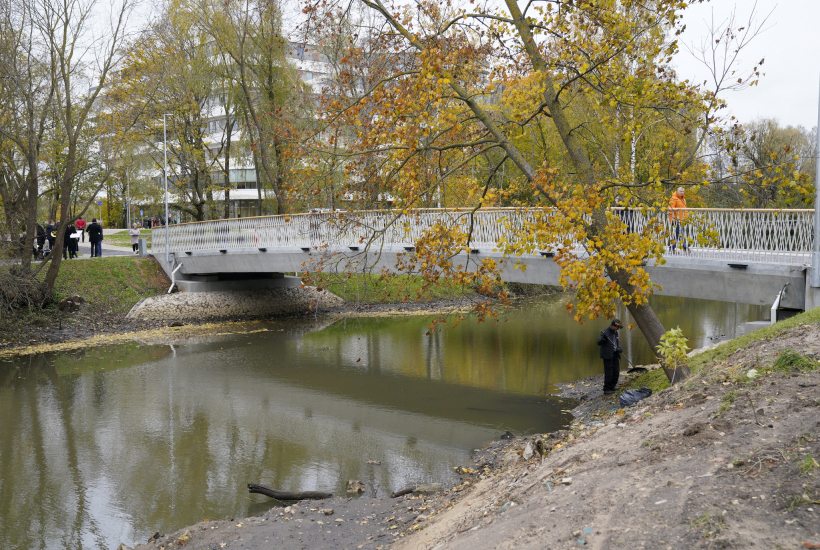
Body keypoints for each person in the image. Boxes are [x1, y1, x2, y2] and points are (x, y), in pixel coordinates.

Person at [597, 319, 623, 395]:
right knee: (609, 373)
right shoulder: (605, 332)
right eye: (617, 327)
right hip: (607, 355)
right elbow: (599, 343)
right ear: (613, 326)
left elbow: (617, 342)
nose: (618, 329)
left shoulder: (615, 332)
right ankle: (606, 389)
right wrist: (603, 338)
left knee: (616, 371)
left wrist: (619, 348)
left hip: (615, 354)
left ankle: (612, 386)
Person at [668, 186, 688, 253]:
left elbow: (685, 210)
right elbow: (670, 209)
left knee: (677, 235)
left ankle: (672, 249)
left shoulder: (683, 199)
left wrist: (686, 217)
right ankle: (685, 248)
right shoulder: (673, 199)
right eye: (681, 191)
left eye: (683, 191)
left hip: (681, 220)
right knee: (680, 234)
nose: (682, 193)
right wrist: (672, 219)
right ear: (677, 191)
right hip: (675, 220)